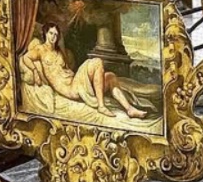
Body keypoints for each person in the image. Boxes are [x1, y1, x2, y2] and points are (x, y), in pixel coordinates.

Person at [19, 22, 147, 120]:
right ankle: (101, 106)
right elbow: (26, 58)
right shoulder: (40, 50)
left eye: (56, 35)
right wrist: (36, 72)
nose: (53, 37)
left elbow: (67, 68)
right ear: (45, 33)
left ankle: (129, 109)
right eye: (51, 33)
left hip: (75, 82)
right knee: (97, 61)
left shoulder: (59, 52)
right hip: (70, 90)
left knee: (111, 76)